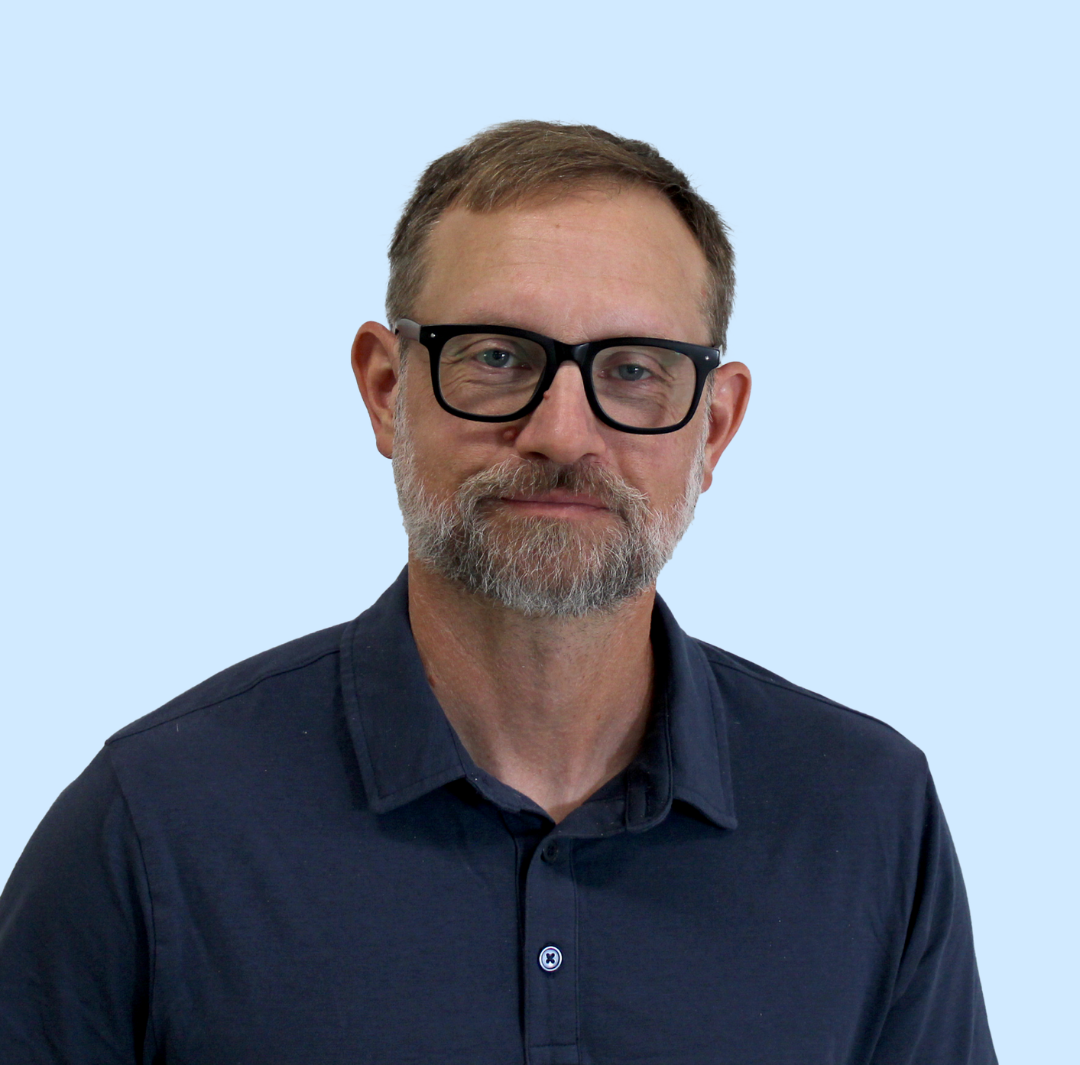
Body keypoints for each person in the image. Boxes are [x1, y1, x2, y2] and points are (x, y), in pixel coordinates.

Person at [0, 121, 996, 1064]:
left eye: (635, 370)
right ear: (388, 390)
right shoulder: (156, 825)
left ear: (716, 427)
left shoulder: (866, 815)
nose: (564, 433)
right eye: (496, 357)